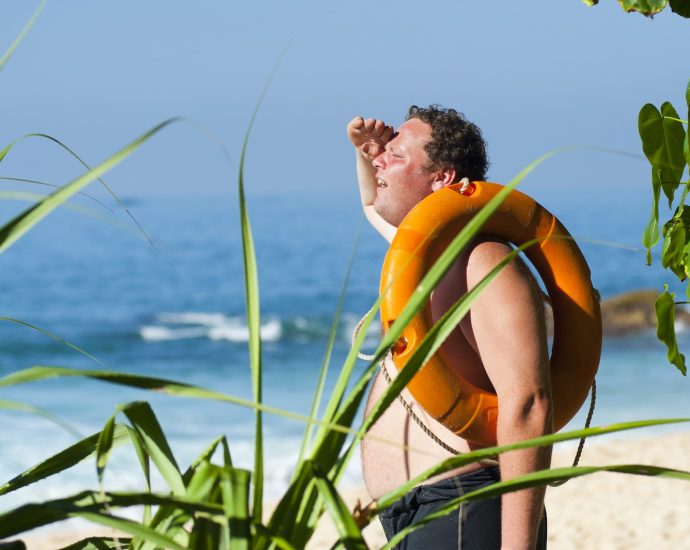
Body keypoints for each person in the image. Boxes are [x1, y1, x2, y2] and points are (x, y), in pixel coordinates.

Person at [347, 106, 552, 549]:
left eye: (395, 155)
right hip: (412, 514)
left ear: (441, 178)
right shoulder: (422, 256)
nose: (380, 161)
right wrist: (364, 150)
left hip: (464, 501)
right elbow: (370, 203)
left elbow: (529, 405)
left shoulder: (482, 262)